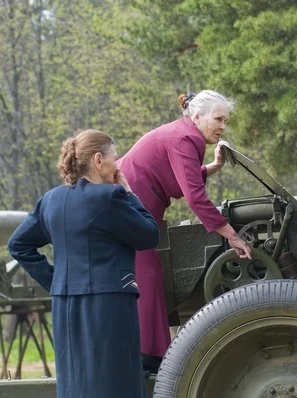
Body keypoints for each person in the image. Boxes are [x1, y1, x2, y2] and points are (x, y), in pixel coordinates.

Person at [8, 129, 159, 398]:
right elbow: (149, 235)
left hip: (65, 304)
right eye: (115, 157)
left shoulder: (50, 200)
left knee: (76, 381)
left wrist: (55, 281)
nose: (118, 164)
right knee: (116, 380)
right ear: (98, 160)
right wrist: (130, 192)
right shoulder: (110, 198)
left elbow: (18, 244)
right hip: (109, 304)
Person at [116, 89, 253, 373]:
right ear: (197, 116)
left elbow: (183, 176)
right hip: (131, 201)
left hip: (140, 202)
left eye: (225, 120)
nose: (222, 126)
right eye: (218, 118)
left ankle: (150, 353)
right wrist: (231, 234)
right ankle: (148, 357)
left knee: (149, 273)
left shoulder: (186, 136)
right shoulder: (185, 137)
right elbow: (194, 196)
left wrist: (214, 166)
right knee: (147, 274)